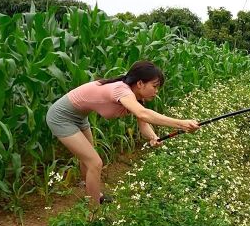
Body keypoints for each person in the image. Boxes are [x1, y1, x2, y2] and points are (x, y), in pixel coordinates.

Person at [46, 60, 200, 206]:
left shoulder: (137, 97)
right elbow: (143, 114)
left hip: (80, 117)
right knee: (95, 162)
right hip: (61, 117)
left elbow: (143, 123)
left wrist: (153, 137)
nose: (157, 91)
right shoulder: (121, 90)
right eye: (155, 86)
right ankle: (93, 213)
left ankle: (91, 195)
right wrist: (181, 123)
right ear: (140, 83)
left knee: (88, 159)